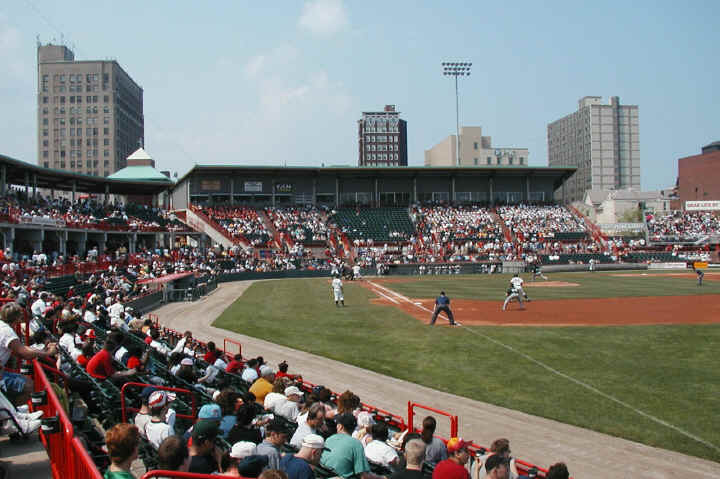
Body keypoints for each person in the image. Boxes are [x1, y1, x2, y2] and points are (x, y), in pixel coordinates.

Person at [1, 302, 58, 406]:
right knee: (28, 385)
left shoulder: (2, 326)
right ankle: (13, 415)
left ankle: (12, 412)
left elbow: (22, 348)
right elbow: (24, 353)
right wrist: (49, 353)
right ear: (17, 318)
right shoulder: (6, 331)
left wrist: (44, 351)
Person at [321, 413, 382, 479]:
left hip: (321, 474)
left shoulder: (330, 438)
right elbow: (363, 476)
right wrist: (382, 478)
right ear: (353, 429)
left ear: (340, 426)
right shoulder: (356, 444)